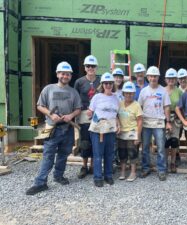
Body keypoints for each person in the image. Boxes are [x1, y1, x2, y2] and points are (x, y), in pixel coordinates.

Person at [26, 61, 82, 195]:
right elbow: (39, 105)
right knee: (48, 155)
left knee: (63, 154)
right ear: (57, 74)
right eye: (63, 73)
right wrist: (51, 114)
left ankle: (58, 176)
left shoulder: (73, 92)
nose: (65, 76)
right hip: (51, 128)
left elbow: (78, 109)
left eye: (68, 74)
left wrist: (70, 115)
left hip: (67, 128)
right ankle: (40, 183)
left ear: (70, 76)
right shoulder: (48, 89)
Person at [138, 66, 171, 181]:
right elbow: (139, 107)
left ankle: (161, 170)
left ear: (158, 77)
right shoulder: (143, 91)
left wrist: (168, 122)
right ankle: (145, 168)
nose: (153, 78)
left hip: (159, 123)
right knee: (145, 147)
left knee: (161, 148)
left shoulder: (163, 91)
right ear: (147, 77)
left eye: (155, 76)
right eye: (151, 76)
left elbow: (166, 107)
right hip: (146, 123)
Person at [88, 72, 120, 187]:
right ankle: (97, 177)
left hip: (110, 129)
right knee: (98, 154)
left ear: (113, 84)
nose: (108, 85)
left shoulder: (116, 98)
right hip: (98, 130)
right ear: (102, 84)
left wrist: (118, 125)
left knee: (109, 154)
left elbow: (116, 114)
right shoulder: (97, 97)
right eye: (106, 83)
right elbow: (90, 113)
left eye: (110, 83)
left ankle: (108, 175)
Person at [74, 55, 100, 179]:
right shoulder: (79, 82)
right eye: (88, 66)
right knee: (84, 142)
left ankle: (92, 166)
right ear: (84, 67)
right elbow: (75, 98)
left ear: (96, 68)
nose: (90, 68)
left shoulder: (100, 81)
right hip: (84, 114)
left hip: (97, 115)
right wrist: (76, 115)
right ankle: (84, 166)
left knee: (95, 141)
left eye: (93, 66)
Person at [117, 81, 143, 182]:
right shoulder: (120, 104)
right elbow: (116, 116)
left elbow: (140, 121)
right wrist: (118, 125)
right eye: (127, 93)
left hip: (132, 132)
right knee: (122, 153)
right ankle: (123, 172)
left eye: (131, 93)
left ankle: (133, 172)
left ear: (134, 94)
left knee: (133, 153)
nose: (129, 95)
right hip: (121, 133)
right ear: (123, 93)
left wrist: (138, 136)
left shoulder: (136, 105)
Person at [164, 68, 183, 173]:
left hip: (175, 118)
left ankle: (173, 162)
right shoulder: (162, 90)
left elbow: (182, 106)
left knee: (174, 141)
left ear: (176, 79)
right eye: (169, 78)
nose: (171, 80)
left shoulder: (179, 91)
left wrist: (179, 116)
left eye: (173, 78)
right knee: (166, 141)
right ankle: (165, 163)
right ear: (166, 79)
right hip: (164, 118)